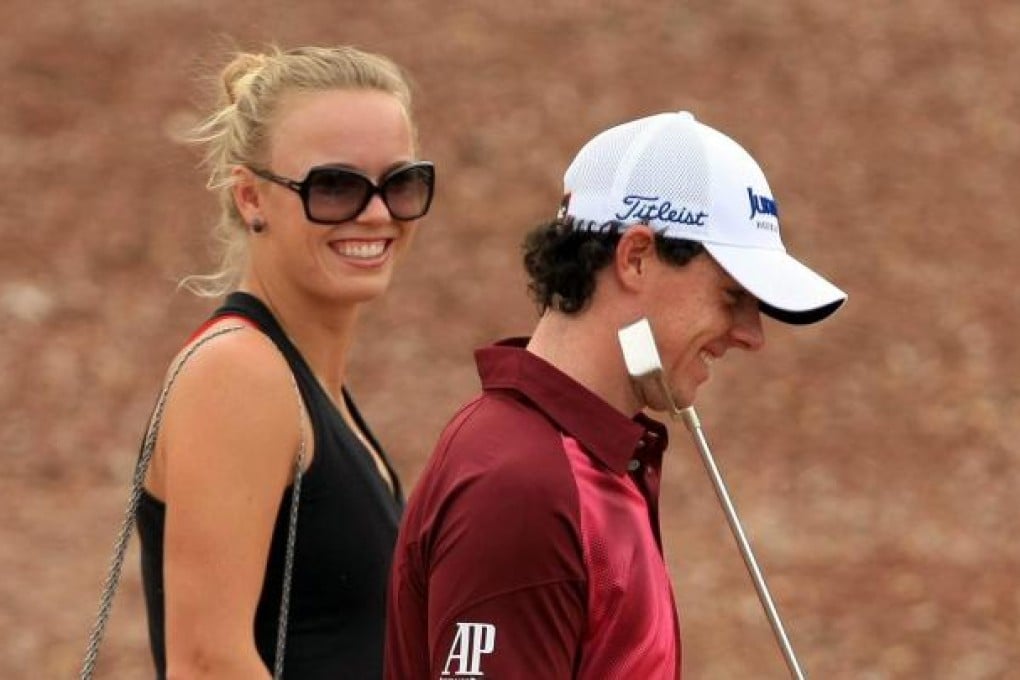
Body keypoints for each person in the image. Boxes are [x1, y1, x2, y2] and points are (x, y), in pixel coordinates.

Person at [384, 110, 846, 679]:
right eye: (732, 297)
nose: (752, 335)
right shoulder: (522, 485)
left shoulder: (583, 460)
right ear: (635, 257)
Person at [135, 45, 435, 679]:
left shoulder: (305, 386)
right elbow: (208, 664)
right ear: (250, 198)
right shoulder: (240, 375)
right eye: (334, 186)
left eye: (400, 182)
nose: (377, 212)